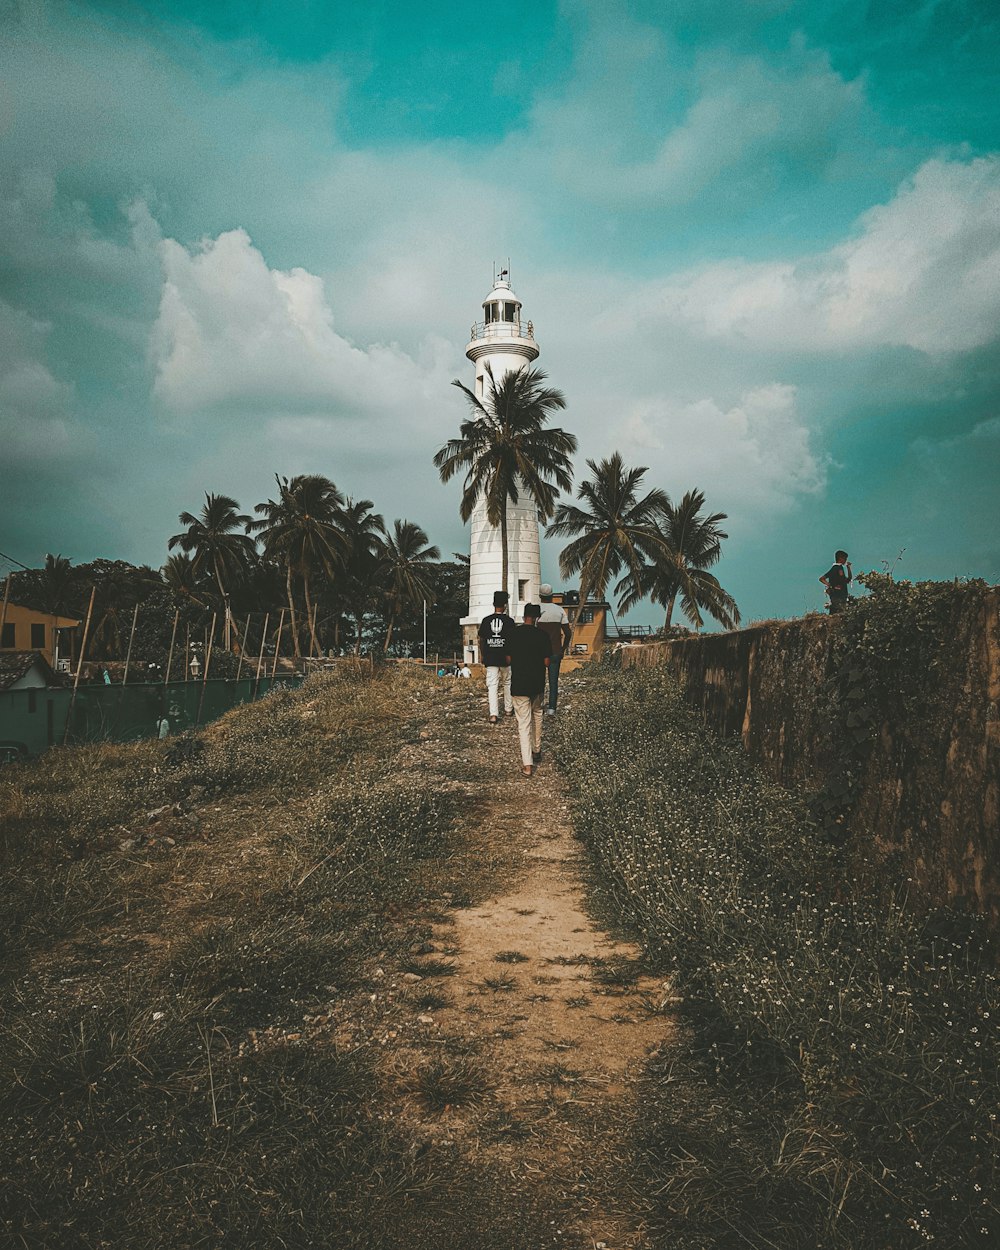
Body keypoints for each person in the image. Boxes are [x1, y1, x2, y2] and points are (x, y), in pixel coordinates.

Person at [508, 603, 552, 776]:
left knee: (523, 724)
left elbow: (509, 658)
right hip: (537, 683)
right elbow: (547, 662)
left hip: (519, 684)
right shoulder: (543, 635)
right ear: (537, 618)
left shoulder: (513, 634)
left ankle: (527, 765)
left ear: (523, 616)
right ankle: (537, 749)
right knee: (538, 715)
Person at [478, 590, 516, 722]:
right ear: (505, 605)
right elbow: (512, 641)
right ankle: (508, 709)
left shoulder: (486, 620)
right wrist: (510, 655)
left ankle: (493, 714)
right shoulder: (510, 621)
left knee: (492, 685)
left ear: (493, 603)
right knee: (507, 683)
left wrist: (483, 655)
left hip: (491, 657)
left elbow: (482, 639)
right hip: (506, 657)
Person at [537, 584, 571, 715]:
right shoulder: (560, 610)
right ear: (552, 596)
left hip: (539, 652)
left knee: (538, 679)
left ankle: (538, 705)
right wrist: (563, 649)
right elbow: (568, 633)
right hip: (555, 651)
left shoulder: (536, 610)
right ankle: (552, 708)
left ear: (540, 595)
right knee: (553, 681)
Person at [820, 550, 853, 614]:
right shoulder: (835, 568)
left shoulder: (840, 568)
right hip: (836, 596)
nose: (845, 560)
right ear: (840, 558)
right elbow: (822, 578)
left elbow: (848, 579)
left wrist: (848, 568)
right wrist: (829, 585)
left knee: (838, 612)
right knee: (839, 611)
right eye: (845, 558)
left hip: (842, 595)